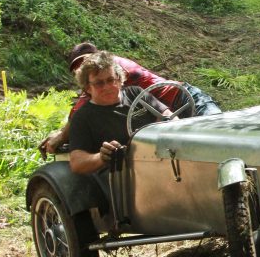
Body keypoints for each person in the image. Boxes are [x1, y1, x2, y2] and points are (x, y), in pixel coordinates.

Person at [39, 42, 222, 156]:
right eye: (78, 68)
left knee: (220, 133)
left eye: (85, 62)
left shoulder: (115, 69)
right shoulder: (95, 84)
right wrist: (63, 134)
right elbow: (82, 108)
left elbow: (85, 105)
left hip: (184, 99)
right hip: (161, 115)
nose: (84, 69)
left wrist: (61, 136)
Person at [67, 51, 140, 174]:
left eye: (111, 80)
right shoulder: (82, 117)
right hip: (120, 178)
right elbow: (76, 163)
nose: (106, 87)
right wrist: (101, 157)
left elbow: (167, 117)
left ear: (119, 79)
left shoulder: (136, 94)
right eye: (99, 83)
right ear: (87, 88)